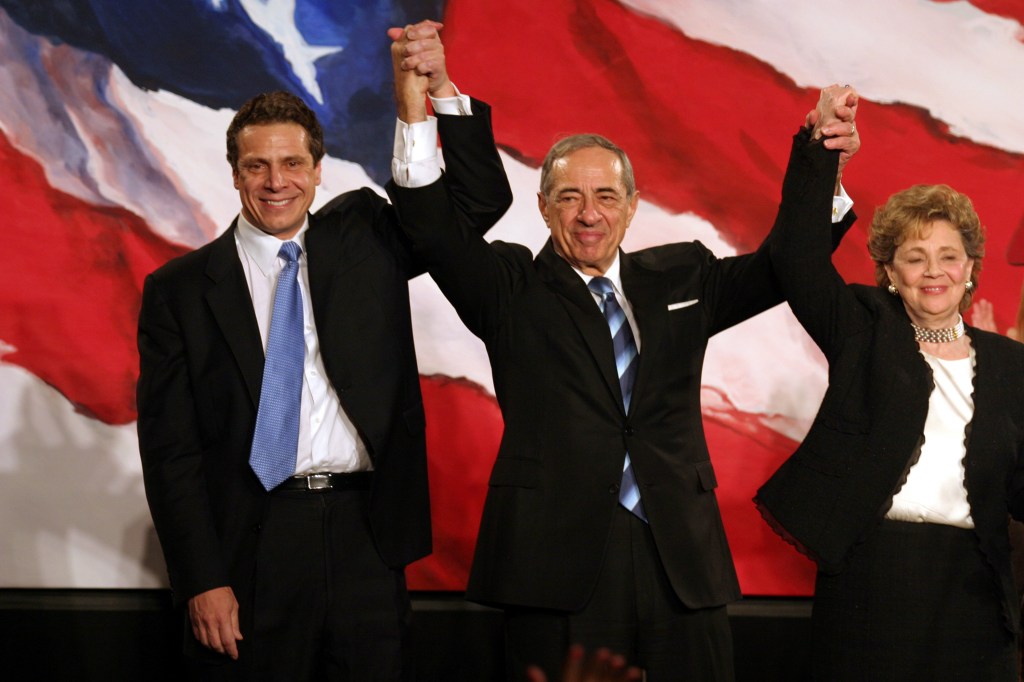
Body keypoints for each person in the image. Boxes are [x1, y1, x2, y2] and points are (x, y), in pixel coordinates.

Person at [388, 28, 861, 677]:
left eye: (606, 196)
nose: (589, 214)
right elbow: (432, 228)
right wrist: (432, 99)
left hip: (679, 561)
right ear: (544, 206)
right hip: (553, 568)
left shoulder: (682, 277)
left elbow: (787, 267)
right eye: (571, 197)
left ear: (632, 208)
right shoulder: (510, 287)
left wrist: (821, 159)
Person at [136, 22, 511, 680]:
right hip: (251, 542)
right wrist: (201, 579)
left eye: (291, 164)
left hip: (366, 534)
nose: (275, 181)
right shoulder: (181, 290)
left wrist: (432, 97)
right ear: (234, 174)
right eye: (257, 165)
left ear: (316, 170)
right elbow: (171, 451)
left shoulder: (364, 237)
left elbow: (476, 203)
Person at [755, 90, 1024, 680]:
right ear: (891, 274)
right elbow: (797, 258)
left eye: (949, 256)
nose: (934, 271)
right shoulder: (863, 328)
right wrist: (823, 154)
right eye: (915, 257)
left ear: (971, 269)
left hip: (975, 589)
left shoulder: (1012, 366)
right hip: (870, 579)